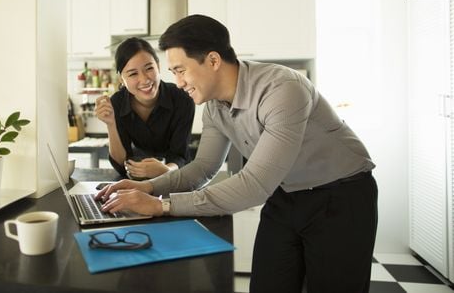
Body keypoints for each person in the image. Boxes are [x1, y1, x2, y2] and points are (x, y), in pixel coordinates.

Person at [96, 15, 378, 293]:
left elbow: (255, 184)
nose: (178, 83)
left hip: (341, 196)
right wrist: (147, 187)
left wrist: (161, 206)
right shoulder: (214, 106)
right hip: (285, 195)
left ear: (213, 61)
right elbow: (203, 168)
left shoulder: (282, 89)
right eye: (173, 73)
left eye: (181, 70)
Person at [94, 37, 195, 179]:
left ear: (158, 67)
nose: (145, 79)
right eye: (133, 73)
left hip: (174, 177)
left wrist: (165, 170)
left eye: (149, 68)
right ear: (121, 78)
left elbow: (180, 156)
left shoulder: (182, 98)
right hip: (136, 179)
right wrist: (110, 124)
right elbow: (120, 164)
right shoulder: (116, 103)